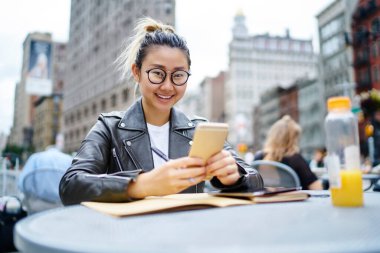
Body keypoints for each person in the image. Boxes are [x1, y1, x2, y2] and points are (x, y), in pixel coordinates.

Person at [59, 18, 263, 205]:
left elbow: (256, 180)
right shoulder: (109, 127)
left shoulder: (200, 129)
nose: (167, 86)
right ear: (136, 72)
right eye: (157, 73)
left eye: (178, 75)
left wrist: (235, 176)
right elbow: (70, 185)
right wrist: (142, 184)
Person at [254, 115, 322, 190]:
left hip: (264, 201)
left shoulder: (258, 158)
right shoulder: (296, 159)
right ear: (292, 139)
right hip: (292, 201)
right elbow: (317, 188)